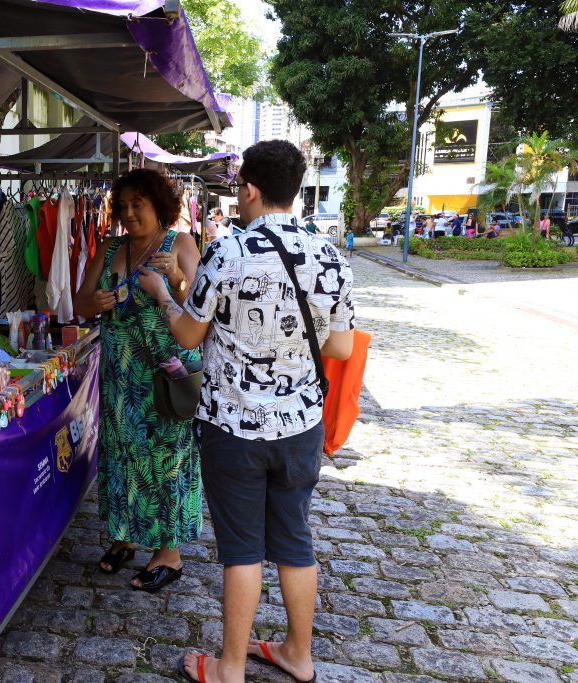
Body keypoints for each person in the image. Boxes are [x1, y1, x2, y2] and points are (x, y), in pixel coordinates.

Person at [137, 140, 354, 683]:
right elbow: (342, 348)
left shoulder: (226, 253)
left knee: (242, 551)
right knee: (295, 542)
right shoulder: (329, 254)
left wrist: (165, 296)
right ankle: (298, 655)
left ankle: (230, 668)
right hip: (301, 424)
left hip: (233, 427)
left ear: (250, 190)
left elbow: (188, 332)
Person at [74, 168, 203, 592]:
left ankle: (169, 554)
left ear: (159, 206)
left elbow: (200, 309)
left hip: (164, 373)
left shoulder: (180, 242)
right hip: (119, 373)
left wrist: (177, 280)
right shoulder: (111, 246)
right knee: (121, 452)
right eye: (123, 206)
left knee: (165, 461)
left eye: (138, 205)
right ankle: (125, 535)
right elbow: (79, 301)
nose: (129, 214)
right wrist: (93, 300)